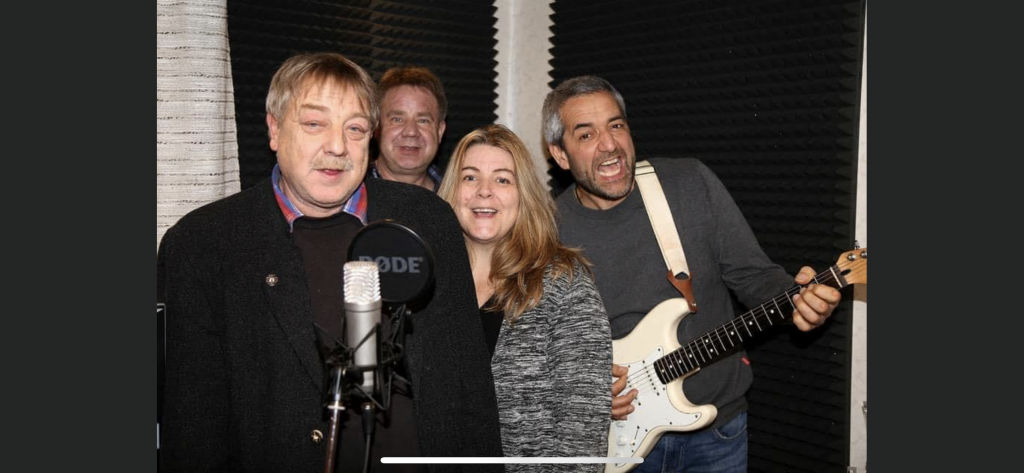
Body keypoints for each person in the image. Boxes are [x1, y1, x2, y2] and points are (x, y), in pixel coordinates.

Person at [157, 52, 503, 473]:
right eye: (314, 124)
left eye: (354, 128)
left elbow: (470, 386)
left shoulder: (427, 220)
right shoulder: (204, 244)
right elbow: (194, 424)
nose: (337, 146)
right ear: (274, 129)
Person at [543, 76, 842, 472]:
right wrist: (581, 391)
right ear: (560, 155)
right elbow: (537, 345)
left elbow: (754, 276)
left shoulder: (689, 183)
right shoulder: (547, 231)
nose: (609, 144)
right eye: (586, 134)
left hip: (717, 434)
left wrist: (799, 300)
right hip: (616, 443)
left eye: (616, 125)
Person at [438, 124, 612, 471]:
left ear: (524, 195)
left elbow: (583, 433)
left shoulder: (564, 284)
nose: (484, 191)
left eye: (502, 179)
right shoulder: (426, 283)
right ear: (452, 190)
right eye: (470, 177)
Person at [370, 66, 447, 191]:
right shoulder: (347, 194)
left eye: (423, 120)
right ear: (376, 127)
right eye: (397, 119)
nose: (411, 132)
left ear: (440, 131)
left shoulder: (460, 197)